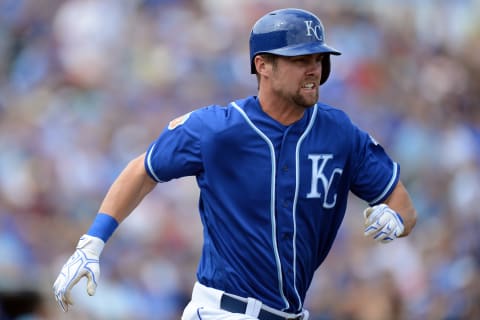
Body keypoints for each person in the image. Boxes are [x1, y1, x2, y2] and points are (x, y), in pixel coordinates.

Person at [53, 7, 417, 320]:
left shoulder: (340, 132)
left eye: (318, 59)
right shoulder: (218, 128)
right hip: (222, 311)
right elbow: (143, 169)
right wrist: (92, 243)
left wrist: (396, 219)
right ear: (264, 65)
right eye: (299, 59)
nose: (313, 69)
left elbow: (402, 204)